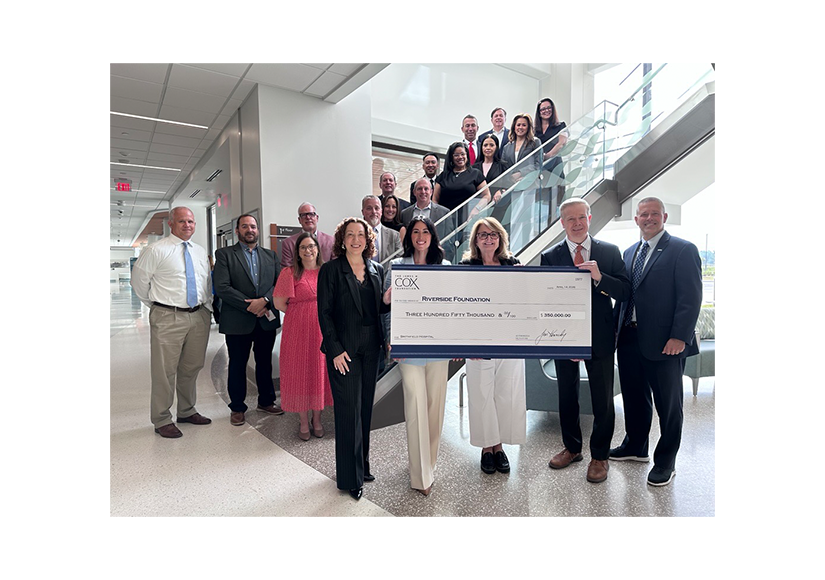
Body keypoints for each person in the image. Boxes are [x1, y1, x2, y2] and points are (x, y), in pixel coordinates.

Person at [611, 197, 702, 487]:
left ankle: (666, 461)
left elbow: (690, 298)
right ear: (635, 219)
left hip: (666, 343)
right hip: (628, 338)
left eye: (654, 214)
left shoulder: (682, 249)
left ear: (664, 216)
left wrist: (679, 336)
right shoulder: (628, 252)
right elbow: (625, 295)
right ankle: (636, 447)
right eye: (643, 214)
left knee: (669, 405)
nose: (648, 218)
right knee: (635, 399)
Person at [541, 199, 631, 483]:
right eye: (571, 219)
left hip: (601, 337)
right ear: (562, 223)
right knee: (566, 395)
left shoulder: (609, 251)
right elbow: (545, 299)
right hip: (563, 337)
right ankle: (572, 448)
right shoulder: (550, 255)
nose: (577, 223)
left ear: (589, 218)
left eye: (582, 217)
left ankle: (600, 456)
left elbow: (626, 291)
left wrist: (600, 278)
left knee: (602, 398)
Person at [317, 217, 392, 500]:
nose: (355, 239)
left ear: (367, 239)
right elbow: (324, 313)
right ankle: (351, 477)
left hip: (372, 347)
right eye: (350, 234)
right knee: (348, 412)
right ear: (342, 239)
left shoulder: (377, 269)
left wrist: (387, 303)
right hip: (344, 351)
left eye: (361, 234)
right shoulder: (331, 270)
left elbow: (377, 312)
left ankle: (363, 465)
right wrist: (334, 349)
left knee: (364, 410)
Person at [131, 206, 213, 438]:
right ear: (171, 224)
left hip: (198, 316)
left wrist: (205, 309)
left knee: (192, 367)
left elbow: (204, 283)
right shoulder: (156, 250)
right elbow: (139, 284)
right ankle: (162, 418)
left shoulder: (199, 251)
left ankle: (186, 410)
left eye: (191, 222)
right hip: (168, 316)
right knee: (164, 370)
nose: (187, 225)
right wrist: (160, 308)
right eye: (182, 221)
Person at [384, 217, 452, 496]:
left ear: (432, 236)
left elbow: (452, 307)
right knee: (414, 404)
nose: (421, 236)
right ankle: (420, 475)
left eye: (426, 231)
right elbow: (387, 308)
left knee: (435, 406)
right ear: (409, 237)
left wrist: (457, 343)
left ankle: (430, 463)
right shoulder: (397, 268)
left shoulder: (445, 268)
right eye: (415, 232)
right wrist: (391, 340)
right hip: (408, 347)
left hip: (439, 347)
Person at [459, 217, 526, 474]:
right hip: (477, 343)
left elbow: (525, 301)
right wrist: (463, 343)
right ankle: (486, 448)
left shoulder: (513, 265)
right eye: (483, 235)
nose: (488, 239)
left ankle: (499, 446)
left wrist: (524, 280)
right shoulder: (466, 267)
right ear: (476, 240)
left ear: (500, 238)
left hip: (509, 341)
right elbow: (458, 306)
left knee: (506, 394)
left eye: (493, 234)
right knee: (480, 395)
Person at [213, 214, 283, 426]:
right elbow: (223, 287)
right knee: (237, 364)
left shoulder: (270, 256)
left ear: (258, 230)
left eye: (253, 226)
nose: (249, 230)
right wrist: (250, 306)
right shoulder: (225, 254)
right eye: (245, 226)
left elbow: (279, 284)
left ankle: (266, 401)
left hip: (265, 318)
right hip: (237, 320)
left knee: (264, 362)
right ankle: (237, 407)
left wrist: (264, 301)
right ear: (237, 231)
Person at [273, 232, 333, 440]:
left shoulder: (326, 271)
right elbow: (279, 303)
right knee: (300, 372)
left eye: (311, 246)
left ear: (318, 249)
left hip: (322, 329)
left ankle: (317, 418)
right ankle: (302, 421)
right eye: (303, 247)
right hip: (297, 330)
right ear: (297, 253)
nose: (308, 250)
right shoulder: (289, 273)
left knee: (319, 371)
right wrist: (301, 312)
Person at [500, 113, 542, 250]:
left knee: (526, 219)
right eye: (518, 125)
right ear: (514, 127)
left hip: (528, 185)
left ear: (528, 127)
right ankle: (513, 249)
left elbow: (538, 164)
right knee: (512, 220)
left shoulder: (535, 142)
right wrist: (512, 176)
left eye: (524, 125)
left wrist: (521, 173)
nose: (520, 127)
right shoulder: (507, 146)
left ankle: (525, 248)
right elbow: (504, 167)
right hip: (512, 187)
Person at [433, 142, 488, 227]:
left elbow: (487, 195)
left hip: (468, 220)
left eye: (463, 154)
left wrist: (476, 209)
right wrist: (438, 216)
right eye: (456, 155)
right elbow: (435, 200)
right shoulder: (443, 176)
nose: (460, 157)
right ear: (451, 157)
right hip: (446, 221)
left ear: (467, 155)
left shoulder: (475, 173)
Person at [400, 177, 455, 261]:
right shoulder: (405, 214)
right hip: (412, 262)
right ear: (414, 192)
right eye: (419, 189)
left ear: (431, 191)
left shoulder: (444, 213)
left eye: (426, 189)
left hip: (436, 262)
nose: (423, 191)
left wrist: (442, 263)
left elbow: (449, 243)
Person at [534, 98, 569, 221]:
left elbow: (562, 142)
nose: (546, 111)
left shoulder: (560, 125)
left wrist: (547, 155)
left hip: (554, 166)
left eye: (549, 108)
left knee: (556, 201)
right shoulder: (534, 130)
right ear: (538, 112)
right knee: (540, 203)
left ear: (553, 109)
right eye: (542, 109)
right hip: (538, 169)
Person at [470, 133, 512, 224]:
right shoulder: (474, 167)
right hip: (478, 207)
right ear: (481, 148)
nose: (488, 148)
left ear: (496, 147)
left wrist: (501, 191)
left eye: (491, 145)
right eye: (485, 145)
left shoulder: (503, 165)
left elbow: (509, 185)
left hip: (496, 207)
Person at [280, 202, 335, 268]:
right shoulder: (288, 243)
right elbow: (287, 272)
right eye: (303, 215)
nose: (308, 217)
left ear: (317, 218)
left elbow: (336, 268)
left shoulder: (331, 241)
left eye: (311, 214)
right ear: (299, 220)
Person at [362, 195, 401, 262]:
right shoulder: (356, 235)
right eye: (369, 208)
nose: (374, 212)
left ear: (381, 211)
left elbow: (399, 261)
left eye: (377, 208)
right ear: (363, 212)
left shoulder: (394, 235)